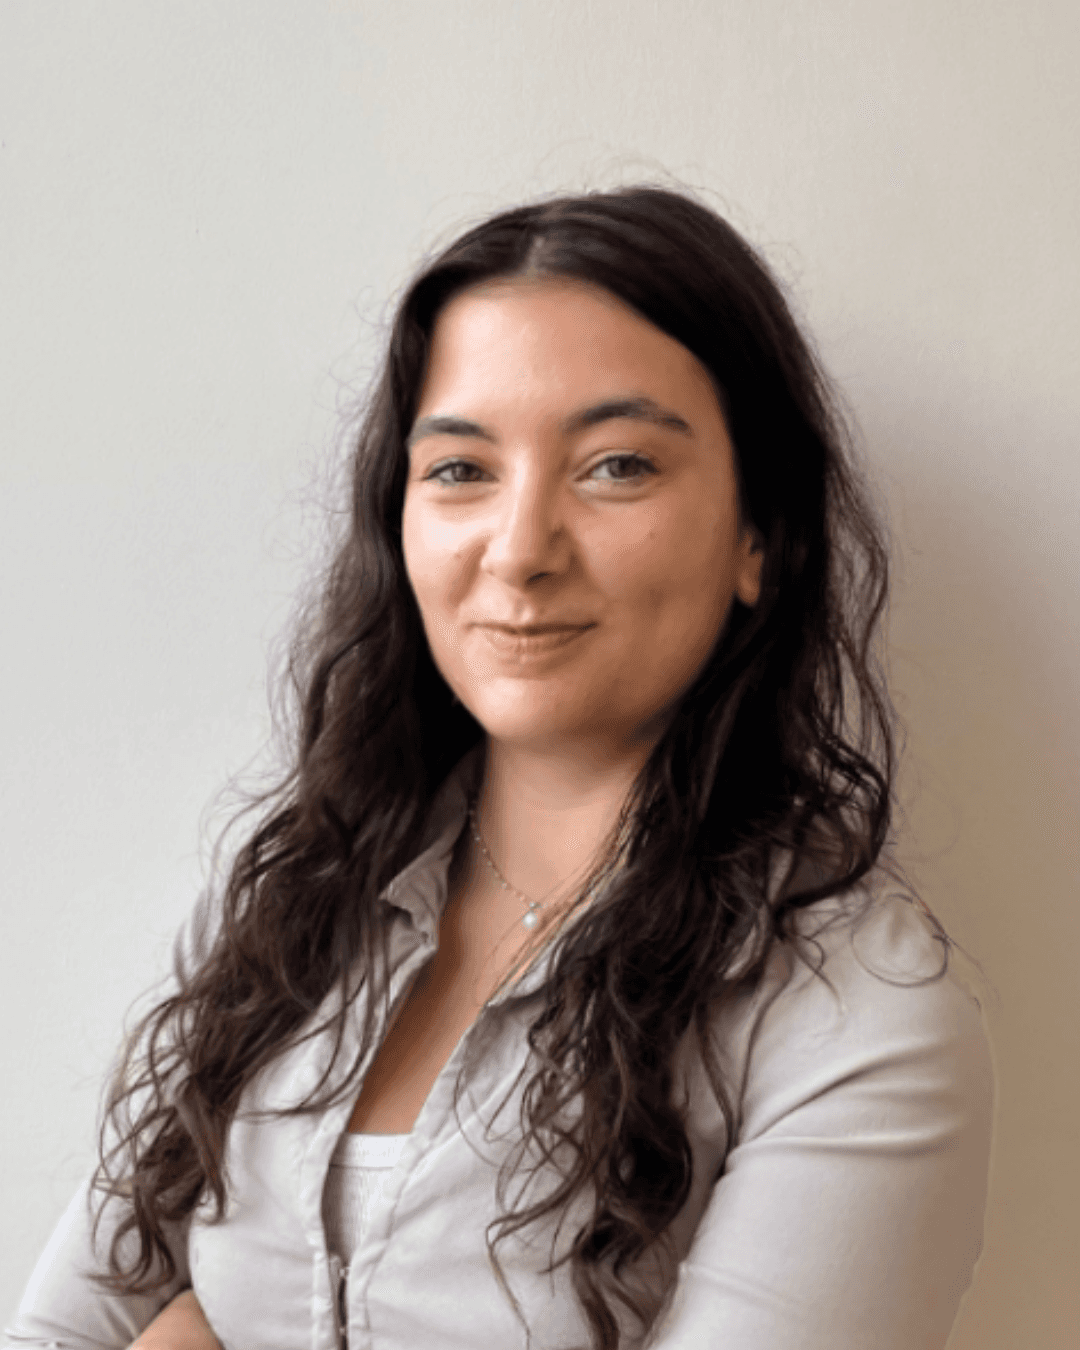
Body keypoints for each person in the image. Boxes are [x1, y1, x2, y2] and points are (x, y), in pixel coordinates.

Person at [6, 186, 994, 1350]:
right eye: (461, 470)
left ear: (759, 540)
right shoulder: (288, 910)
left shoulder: (854, 1012)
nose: (520, 550)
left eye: (616, 466)